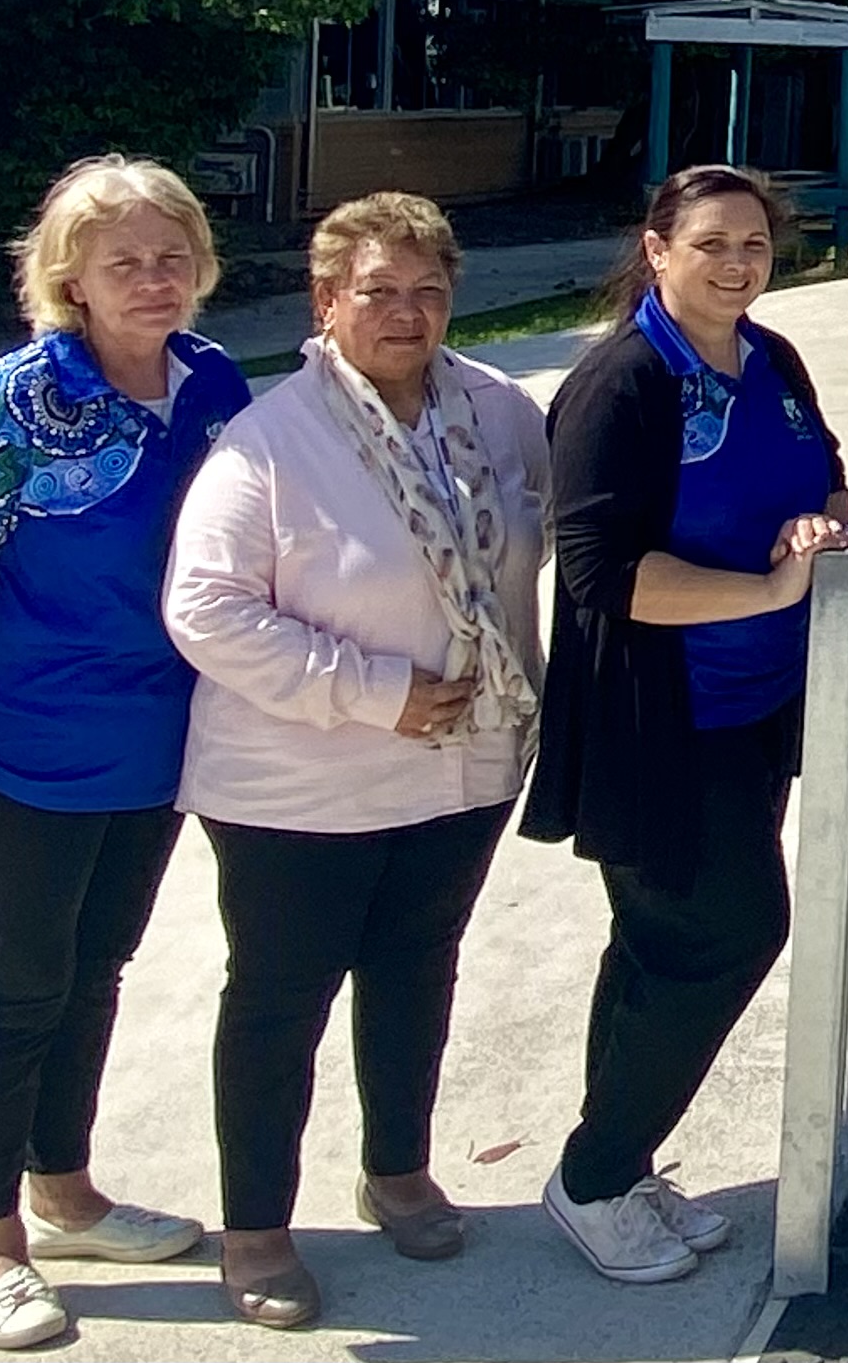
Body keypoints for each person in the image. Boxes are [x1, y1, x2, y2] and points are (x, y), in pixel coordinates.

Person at [164, 192, 552, 1325]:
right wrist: (374, 692)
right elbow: (207, 608)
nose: (407, 310)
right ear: (326, 302)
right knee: (280, 1001)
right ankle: (257, 1228)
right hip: (299, 784)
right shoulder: (269, 443)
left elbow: (558, 531)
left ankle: (396, 1168)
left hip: (463, 769)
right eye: (378, 290)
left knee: (416, 970)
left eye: (429, 288)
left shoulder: (495, 411)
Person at [0, 157, 253, 1353]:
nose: (153, 281)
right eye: (123, 263)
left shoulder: (210, 382)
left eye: (171, 258)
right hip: (24, 755)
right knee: (11, 993)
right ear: (68, 279)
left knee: (95, 970)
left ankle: (67, 1191)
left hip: (157, 748)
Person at [520, 166, 848, 1286]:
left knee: (658, 945)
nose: (735, 262)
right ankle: (595, 1172)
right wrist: (762, 594)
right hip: (656, 720)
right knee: (730, 931)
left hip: (755, 712)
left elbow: (831, 476)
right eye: (709, 241)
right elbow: (600, 574)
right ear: (655, 248)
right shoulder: (622, 381)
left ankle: (618, 1160)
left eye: (753, 242)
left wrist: (819, 521)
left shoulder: (771, 359)